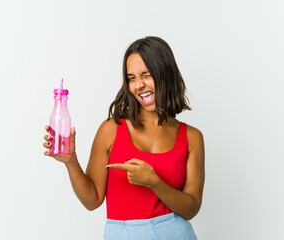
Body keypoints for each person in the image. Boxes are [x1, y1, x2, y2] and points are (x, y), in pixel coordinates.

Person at [43, 36, 205, 240]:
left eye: (146, 75)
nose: (139, 85)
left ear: (165, 74)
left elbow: (191, 208)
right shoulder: (111, 130)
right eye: (131, 78)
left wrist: (155, 182)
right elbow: (92, 201)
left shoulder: (192, 137)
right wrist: (71, 161)